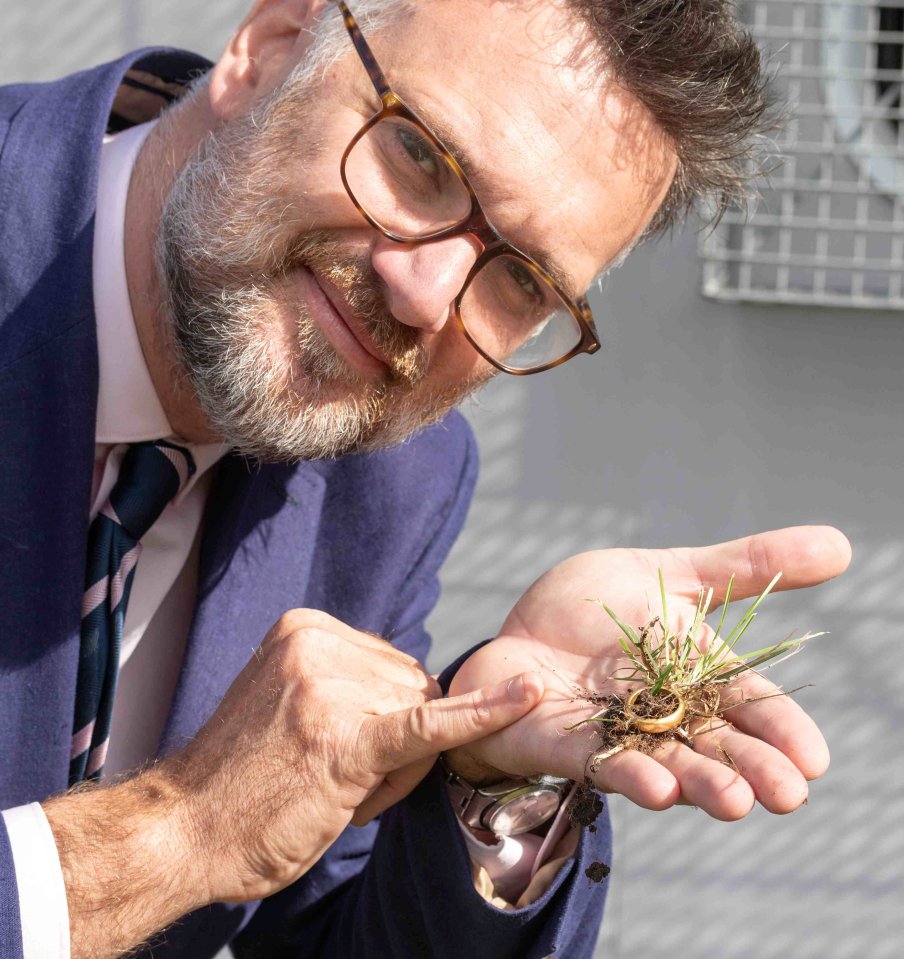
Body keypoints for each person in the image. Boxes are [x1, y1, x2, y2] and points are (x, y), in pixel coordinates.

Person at [0, 0, 852, 957]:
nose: (424, 294)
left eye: (524, 281)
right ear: (268, 49)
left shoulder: (398, 476)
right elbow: (207, 844)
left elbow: (322, 921)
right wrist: (183, 832)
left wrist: (486, 771)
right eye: (421, 159)